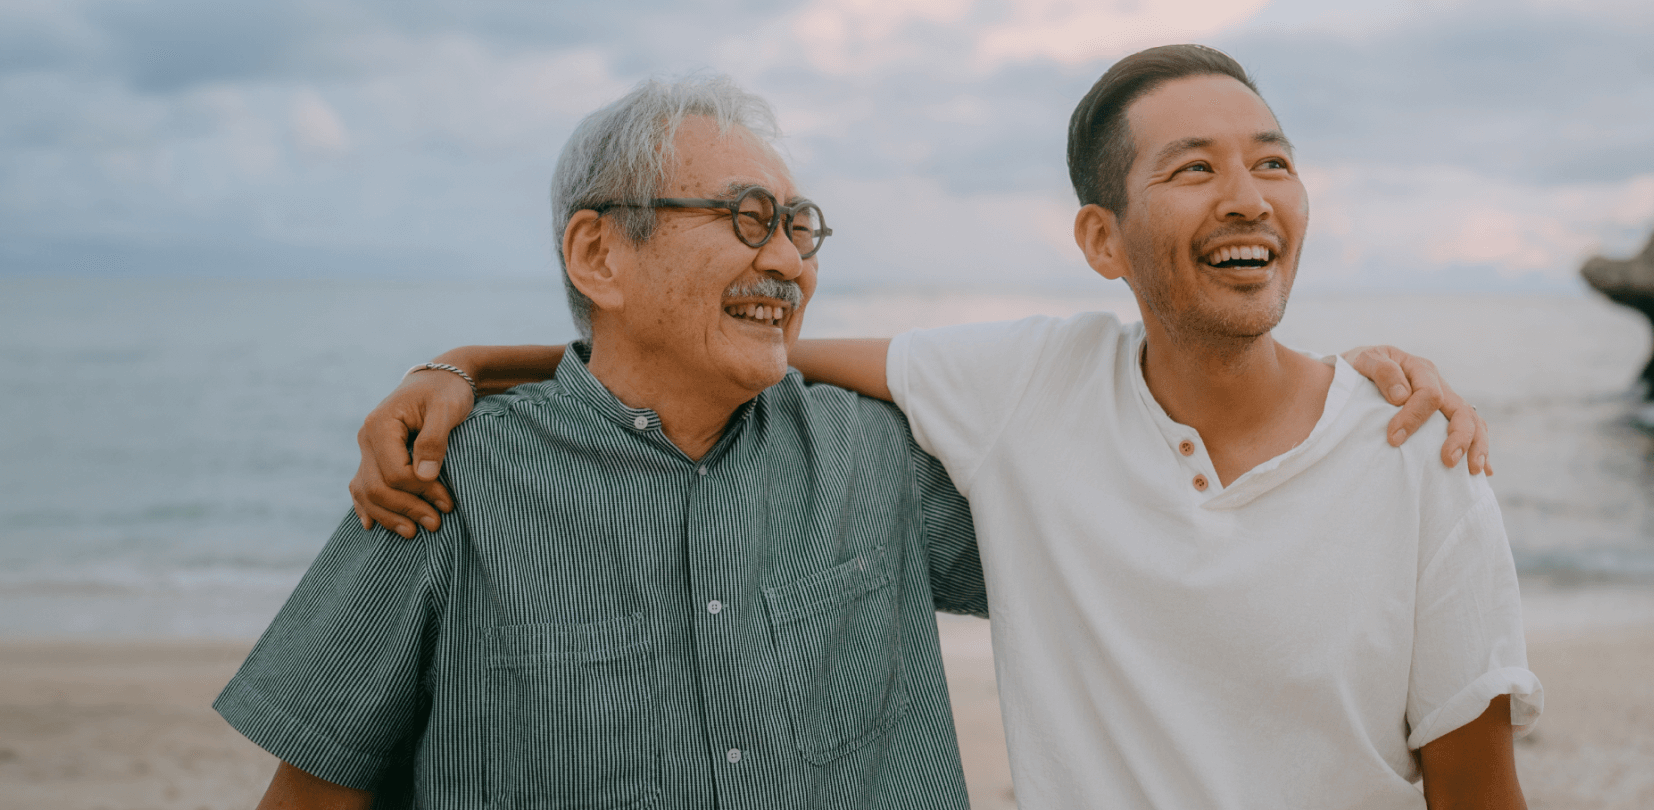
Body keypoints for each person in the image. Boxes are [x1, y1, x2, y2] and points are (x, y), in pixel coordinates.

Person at [349, 45, 1532, 808]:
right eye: (1193, 169)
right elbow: (732, 347)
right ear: (1099, 243)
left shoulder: (1421, 452)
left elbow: (1479, 792)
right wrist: (467, 365)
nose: (1246, 195)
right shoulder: (1025, 388)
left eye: (1272, 163)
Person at [217, 74, 989, 809]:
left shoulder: (876, 457)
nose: (789, 260)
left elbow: (1094, 518)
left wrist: (471, 359)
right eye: (748, 218)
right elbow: (316, 793)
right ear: (598, 255)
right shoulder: (444, 487)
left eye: (799, 226)